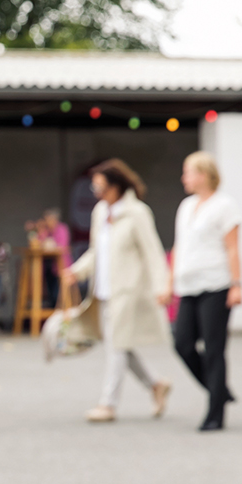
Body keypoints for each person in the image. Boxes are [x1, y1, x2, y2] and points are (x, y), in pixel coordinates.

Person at [61, 159, 172, 423]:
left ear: (116, 186)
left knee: (117, 346)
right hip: (103, 292)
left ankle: (108, 404)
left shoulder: (137, 213)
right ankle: (156, 384)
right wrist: (77, 271)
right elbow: (96, 251)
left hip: (128, 291)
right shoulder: (100, 212)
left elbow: (152, 251)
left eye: (100, 187)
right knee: (119, 345)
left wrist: (162, 285)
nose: (96, 193)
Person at [167, 151, 241, 432]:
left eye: (188, 172)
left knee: (214, 348)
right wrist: (168, 283)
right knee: (182, 343)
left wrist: (236, 284)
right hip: (188, 285)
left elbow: (233, 247)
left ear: (204, 174)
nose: (184, 177)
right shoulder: (186, 206)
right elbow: (179, 246)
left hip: (216, 284)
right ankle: (218, 388)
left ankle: (215, 412)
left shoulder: (225, 206)